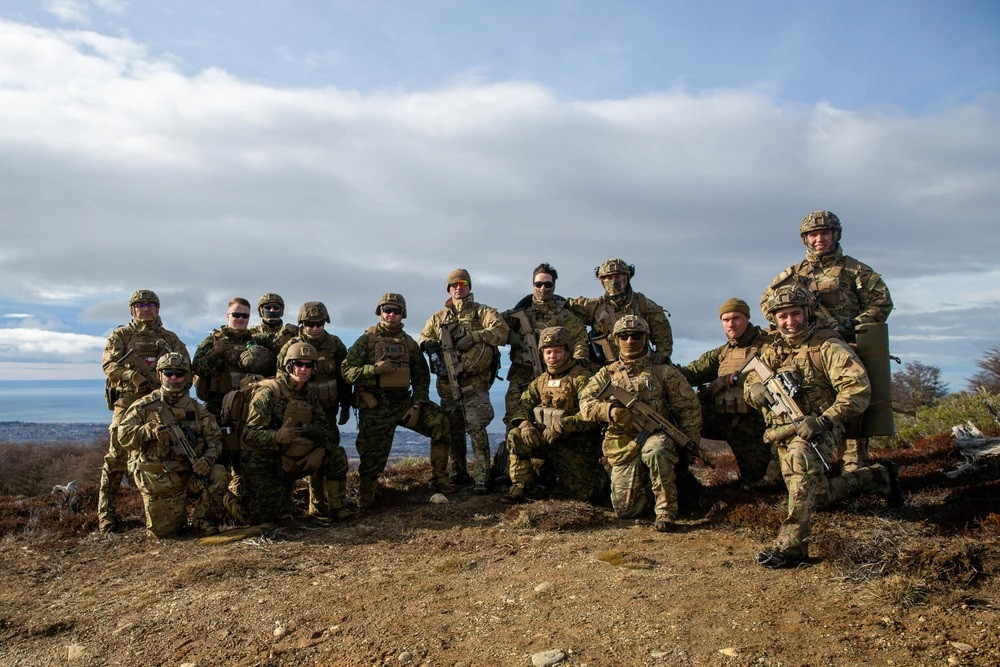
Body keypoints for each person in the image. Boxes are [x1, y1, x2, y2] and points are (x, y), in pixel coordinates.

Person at [744, 285, 902, 569]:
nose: (789, 322)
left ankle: (791, 546)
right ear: (774, 318)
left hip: (823, 425)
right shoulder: (771, 349)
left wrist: (824, 420)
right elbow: (750, 381)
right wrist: (754, 389)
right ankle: (877, 477)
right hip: (786, 429)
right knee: (817, 495)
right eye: (783, 316)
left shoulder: (828, 345)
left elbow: (857, 390)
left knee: (800, 462)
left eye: (795, 314)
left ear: (807, 312)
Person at [760, 210, 893, 472]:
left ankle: (856, 470)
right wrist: (792, 323)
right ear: (805, 239)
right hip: (807, 349)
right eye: (813, 234)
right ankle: (802, 468)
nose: (819, 238)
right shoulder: (791, 275)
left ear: (835, 234)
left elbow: (882, 301)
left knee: (853, 408)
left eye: (825, 233)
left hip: (849, 347)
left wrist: (854, 323)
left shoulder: (856, 271)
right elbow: (768, 303)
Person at [579, 315, 701, 532]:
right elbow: (585, 404)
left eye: (636, 335)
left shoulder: (663, 371)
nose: (630, 340)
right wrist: (611, 411)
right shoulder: (607, 374)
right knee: (626, 511)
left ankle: (666, 511)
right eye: (624, 336)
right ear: (616, 339)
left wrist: (691, 443)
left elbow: (688, 408)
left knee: (656, 450)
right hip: (622, 442)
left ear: (646, 338)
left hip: (655, 436)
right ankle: (663, 486)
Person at [342, 293, 457, 507]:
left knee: (440, 422)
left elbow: (422, 376)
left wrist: (418, 402)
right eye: (387, 310)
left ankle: (440, 478)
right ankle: (366, 498)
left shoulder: (409, 343)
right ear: (380, 312)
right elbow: (347, 371)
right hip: (375, 406)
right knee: (371, 456)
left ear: (402, 314)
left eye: (396, 311)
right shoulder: (366, 340)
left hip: (404, 403)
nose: (391, 315)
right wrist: (373, 370)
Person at [98, 289, 189, 534]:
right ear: (132, 310)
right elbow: (109, 365)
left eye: (151, 304)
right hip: (127, 403)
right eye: (140, 304)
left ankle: (168, 510)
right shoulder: (121, 336)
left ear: (158, 309)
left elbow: (186, 368)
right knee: (116, 457)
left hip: (160, 405)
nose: (146, 308)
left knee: (169, 454)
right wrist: (132, 376)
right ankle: (107, 514)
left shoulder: (169, 339)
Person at [118, 353, 229, 538]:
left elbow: (215, 439)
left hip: (190, 473)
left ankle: (202, 521)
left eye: (179, 374)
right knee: (165, 535)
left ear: (186, 376)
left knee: (219, 474)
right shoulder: (145, 406)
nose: (173, 378)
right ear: (160, 375)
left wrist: (208, 459)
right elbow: (123, 436)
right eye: (168, 373)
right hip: (160, 478)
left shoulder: (197, 409)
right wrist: (149, 431)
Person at [419, 268, 509, 494]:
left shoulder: (483, 312)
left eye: (463, 283)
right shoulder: (439, 317)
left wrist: (476, 336)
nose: (459, 288)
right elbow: (424, 337)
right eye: (454, 284)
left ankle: (482, 478)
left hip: (475, 384)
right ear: (449, 289)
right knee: (453, 430)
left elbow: (501, 333)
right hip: (448, 385)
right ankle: (458, 473)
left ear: (469, 287)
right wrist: (430, 348)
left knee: (477, 429)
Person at [241, 341, 351, 523]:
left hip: (294, 455)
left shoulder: (309, 394)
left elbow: (325, 429)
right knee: (260, 518)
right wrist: (276, 436)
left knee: (336, 454)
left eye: (308, 365)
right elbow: (248, 434)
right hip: (266, 461)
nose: (303, 369)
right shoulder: (268, 391)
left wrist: (320, 450)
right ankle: (227, 501)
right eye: (298, 364)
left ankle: (337, 508)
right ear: (289, 365)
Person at [504, 326, 607, 504]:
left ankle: (597, 476)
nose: (552, 357)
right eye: (548, 352)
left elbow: (593, 414)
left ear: (567, 352)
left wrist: (562, 426)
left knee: (585, 495)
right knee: (516, 436)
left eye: (557, 352)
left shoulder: (582, 379)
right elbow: (523, 405)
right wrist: (524, 424)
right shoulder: (541, 381)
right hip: (546, 439)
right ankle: (521, 485)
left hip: (575, 444)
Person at [678, 298, 772, 487]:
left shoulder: (768, 347)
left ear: (747, 317)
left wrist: (736, 380)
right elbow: (692, 373)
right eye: (726, 319)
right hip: (722, 419)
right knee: (676, 417)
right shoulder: (722, 353)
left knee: (757, 482)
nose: (731, 324)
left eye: (736, 318)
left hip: (753, 427)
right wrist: (661, 367)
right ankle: (680, 479)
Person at [277, 302, 352, 516]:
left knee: (327, 454)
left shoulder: (334, 344)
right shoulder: (290, 347)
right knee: (291, 457)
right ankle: (288, 506)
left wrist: (345, 406)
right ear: (303, 323)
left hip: (327, 412)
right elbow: (281, 381)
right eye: (310, 324)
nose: (315, 328)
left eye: (319, 323)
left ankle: (324, 504)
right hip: (298, 414)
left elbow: (343, 378)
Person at [501, 263, 588, 427]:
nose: (543, 288)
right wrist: (509, 336)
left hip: (553, 376)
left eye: (548, 284)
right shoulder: (518, 312)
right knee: (514, 419)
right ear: (533, 284)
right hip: (522, 374)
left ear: (554, 286)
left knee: (551, 419)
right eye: (538, 284)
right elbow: (496, 327)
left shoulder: (565, 315)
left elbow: (579, 340)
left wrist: (574, 365)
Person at [569, 258, 673, 365]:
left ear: (627, 277)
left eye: (618, 276)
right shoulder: (594, 306)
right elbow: (564, 306)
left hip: (638, 367)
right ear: (602, 281)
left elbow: (664, 341)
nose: (613, 281)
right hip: (603, 369)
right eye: (608, 277)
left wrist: (658, 362)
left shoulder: (644, 305)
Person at [191, 297, 272, 418]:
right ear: (228, 316)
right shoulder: (212, 341)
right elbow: (197, 369)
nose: (240, 318)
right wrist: (215, 352)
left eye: (245, 316)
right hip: (218, 407)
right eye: (236, 315)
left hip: (250, 406)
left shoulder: (257, 342)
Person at [249, 293, 299, 369]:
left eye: (276, 307)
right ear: (261, 310)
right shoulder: (251, 332)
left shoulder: (290, 332)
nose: (272, 310)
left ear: (281, 310)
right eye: (268, 307)